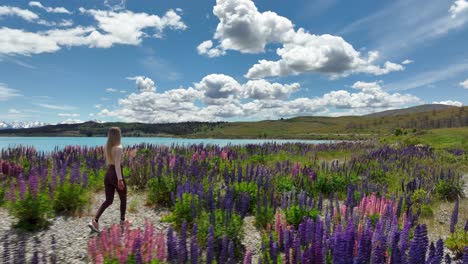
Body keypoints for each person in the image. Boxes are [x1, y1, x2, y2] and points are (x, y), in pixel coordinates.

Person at [88, 127, 127, 232]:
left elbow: (111, 161)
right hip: (116, 174)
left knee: (108, 200)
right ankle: (123, 221)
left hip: (108, 174)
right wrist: (120, 180)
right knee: (123, 198)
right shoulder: (119, 147)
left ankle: (94, 220)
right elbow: (118, 165)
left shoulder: (106, 147)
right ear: (118, 135)